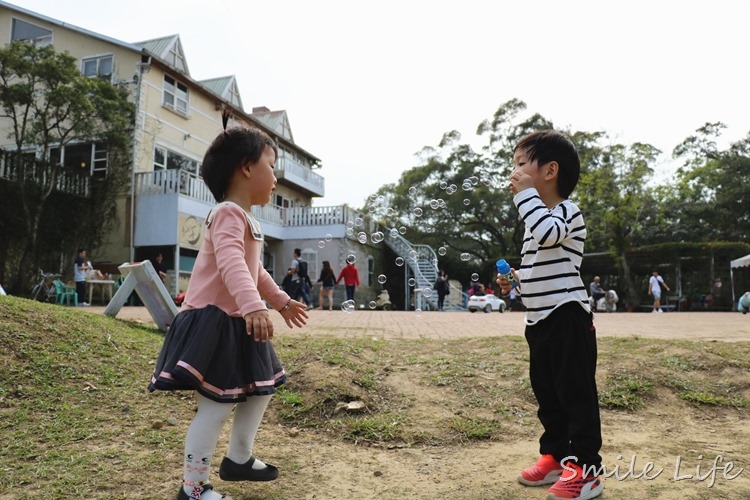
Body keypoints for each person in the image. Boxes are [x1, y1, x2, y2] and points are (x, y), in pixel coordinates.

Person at [148, 112, 309, 500]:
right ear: (247, 167)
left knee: (262, 390)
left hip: (240, 321)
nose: (275, 178)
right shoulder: (226, 214)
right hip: (214, 323)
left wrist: (281, 301)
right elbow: (232, 263)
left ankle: (238, 458)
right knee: (215, 407)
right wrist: (255, 307)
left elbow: (254, 271)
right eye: (272, 167)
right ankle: (193, 487)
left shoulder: (247, 220)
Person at [496, 130, 603, 500]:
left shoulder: (565, 212)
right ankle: (555, 457)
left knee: (576, 396)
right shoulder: (535, 221)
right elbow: (538, 268)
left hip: (568, 317)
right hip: (539, 320)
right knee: (549, 395)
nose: (515, 172)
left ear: (550, 170)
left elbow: (548, 235)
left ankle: (586, 471)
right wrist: (516, 281)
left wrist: (525, 196)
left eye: (522, 164)